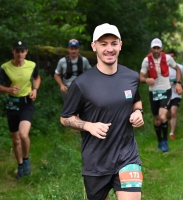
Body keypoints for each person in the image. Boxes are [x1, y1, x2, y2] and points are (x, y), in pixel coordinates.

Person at [60, 23, 144, 200]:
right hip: (96, 160)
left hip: (127, 156)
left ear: (120, 45)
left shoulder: (131, 77)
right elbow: (65, 117)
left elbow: (136, 100)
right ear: (94, 46)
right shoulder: (82, 83)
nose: (109, 49)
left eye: (113, 43)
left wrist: (138, 112)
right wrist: (88, 126)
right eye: (103, 44)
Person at [0, 40, 41, 179]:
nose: (20, 54)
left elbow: (37, 78)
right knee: (15, 140)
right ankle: (20, 165)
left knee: (23, 135)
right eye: (17, 51)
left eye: (22, 51)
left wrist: (35, 89)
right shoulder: (5, 67)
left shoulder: (31, 65)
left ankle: (26, 160)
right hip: (12, 104)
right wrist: (8, 89)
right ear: (13, 51)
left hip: (26, 103)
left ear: (26, 52)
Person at [139, 38, 183, 152]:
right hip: (153, 92)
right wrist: (146, 80)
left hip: (166, 90)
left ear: (162, 48)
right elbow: (141, 77)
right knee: (157, 119)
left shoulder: (167, 58)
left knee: (163, 116)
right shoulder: (146, 61)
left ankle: (165, 141)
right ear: (151, 48)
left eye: (158, 48)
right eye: (154, 48)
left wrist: (178, 83)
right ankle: (160, 141)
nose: (156, 50)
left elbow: (178, 69)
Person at [166, 49, 183, 140]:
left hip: (176, 94)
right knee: (167, 115)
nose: (170, 58)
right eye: (168, 56)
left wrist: (182, 86)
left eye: (172, 56)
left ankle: (172, 133)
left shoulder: (180, 67)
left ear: (175, 57)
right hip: (165, 94)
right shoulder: (162, 68)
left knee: (174, 112)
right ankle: (170, 122)